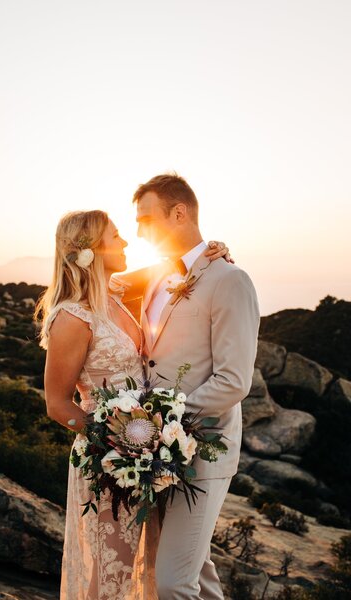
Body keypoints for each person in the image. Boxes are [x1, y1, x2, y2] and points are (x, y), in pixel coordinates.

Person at [35, 208, 231, 600]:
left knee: (153, 563)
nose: (125, 242)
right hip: (108, 462)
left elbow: (171, 266)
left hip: (146, 455)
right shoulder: (72, 317)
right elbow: (58, 405)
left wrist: (209, 252)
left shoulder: (115, 294)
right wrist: (118, 443)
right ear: (90, 251)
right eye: (116, 237)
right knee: (113, 571)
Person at [129, 173, 260, 600]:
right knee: (196, 573)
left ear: (179, 212)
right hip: (158, 451)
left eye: (146, 219)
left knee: (172, 582)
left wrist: (161, 420)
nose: (138, 231)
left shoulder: (230, 281)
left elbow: (233, 381)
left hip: (204, 448)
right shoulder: (157, 277)